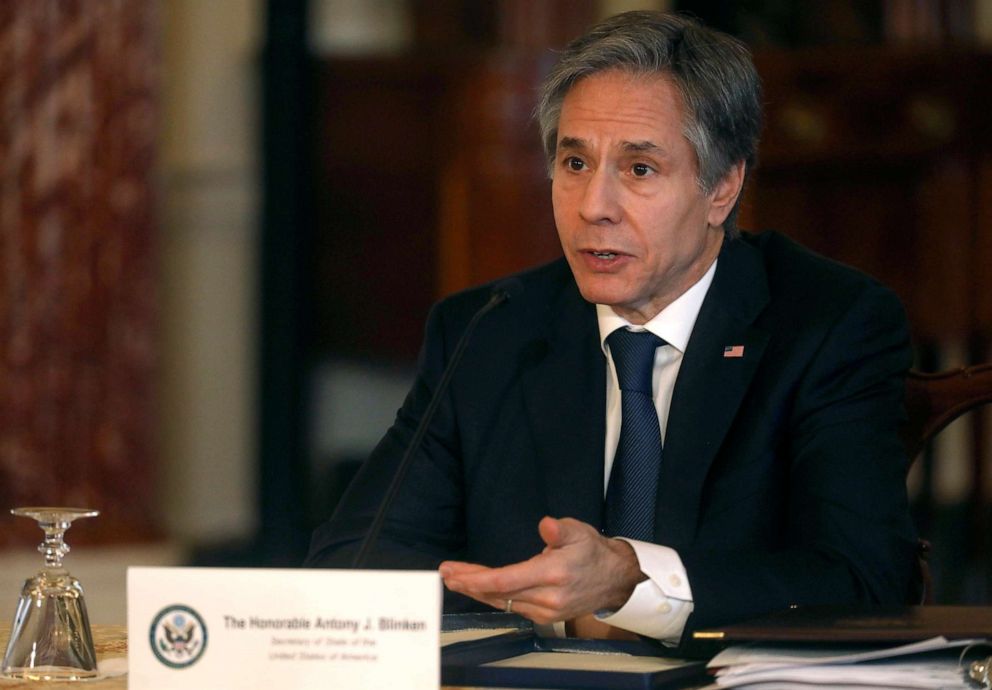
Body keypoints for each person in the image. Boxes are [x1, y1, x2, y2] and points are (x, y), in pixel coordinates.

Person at [305, 10, 919, 646]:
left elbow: (863, 578)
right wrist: (538, 606)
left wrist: (631, 583)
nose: (594, 207)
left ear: (723, 187)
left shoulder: (828, 324)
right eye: (574, 164)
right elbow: (352, 568)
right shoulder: (488, 330)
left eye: (639, 170)